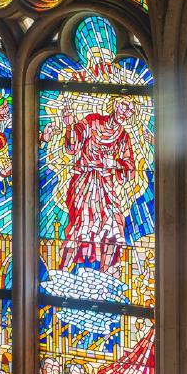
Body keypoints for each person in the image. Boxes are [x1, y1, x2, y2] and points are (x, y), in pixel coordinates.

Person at [48, 95, 137, 272]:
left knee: (114, 226)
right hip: (84, 183)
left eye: (130, 110)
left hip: (106, 186)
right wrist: (69, 126)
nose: (126, 112)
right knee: (81, 226)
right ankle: (61, 273)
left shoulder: (123, 137)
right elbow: (72, 147)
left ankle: (105, 276)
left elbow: (130, 168)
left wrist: (113, 163)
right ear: (115, 104)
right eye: (124, 106)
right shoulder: (93, 121)